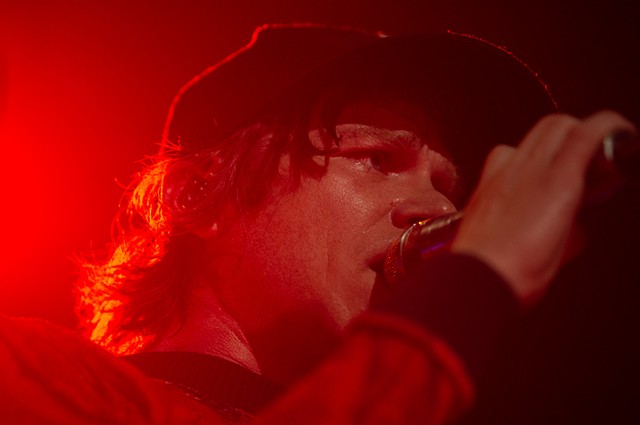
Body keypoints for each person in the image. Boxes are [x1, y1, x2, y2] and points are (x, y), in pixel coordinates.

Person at [1, 23, 636, 424]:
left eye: (451, 190)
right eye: (378, 159)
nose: (441, 213)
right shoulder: (30, 372)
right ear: (196, 196)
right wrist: (474, 282)